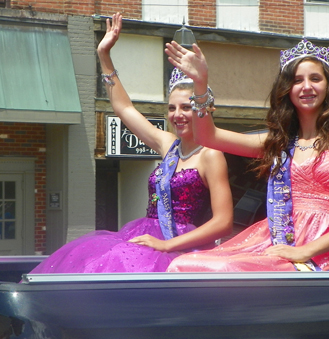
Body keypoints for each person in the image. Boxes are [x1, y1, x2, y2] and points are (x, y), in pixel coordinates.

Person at [30, 13, 233, 274]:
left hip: (178, 245)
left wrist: (166, 244)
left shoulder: (211, 155)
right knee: (96, 257)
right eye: (171, 108)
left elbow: (224, 222)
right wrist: (104, 56)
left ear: (202, 108)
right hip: (145, 235)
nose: (177, 115)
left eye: (186, 107)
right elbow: (124, 108)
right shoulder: (168, 144)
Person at [165, 38, 329, 272]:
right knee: (184, 264)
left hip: (316, 247)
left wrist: (305, 251)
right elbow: (208, 138)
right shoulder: (279, 142)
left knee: (225, 270)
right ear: (287, 89)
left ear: (328, 86)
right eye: (297, 80)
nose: (306, 86)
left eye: (315, 78)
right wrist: (200, 83)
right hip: (273, 239)